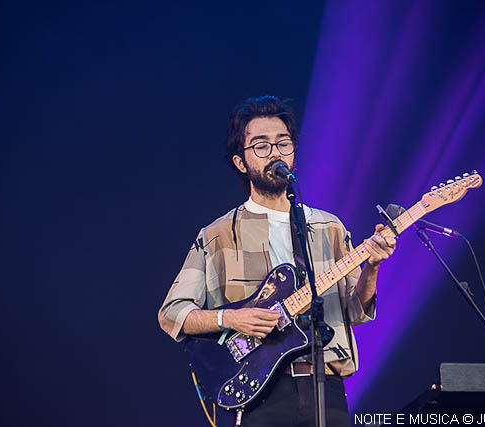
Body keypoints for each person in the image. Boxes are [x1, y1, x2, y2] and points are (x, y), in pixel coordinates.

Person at [158, 96, 396, 426]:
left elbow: (356, 310)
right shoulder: (217, 235)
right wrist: (232, 319)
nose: (275, 152)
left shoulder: (329, 227)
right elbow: (173, 314)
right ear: (241, 162)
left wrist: (373, 265)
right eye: (261, 146)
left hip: (326, 386)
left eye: (283, 143)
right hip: (259, 392)